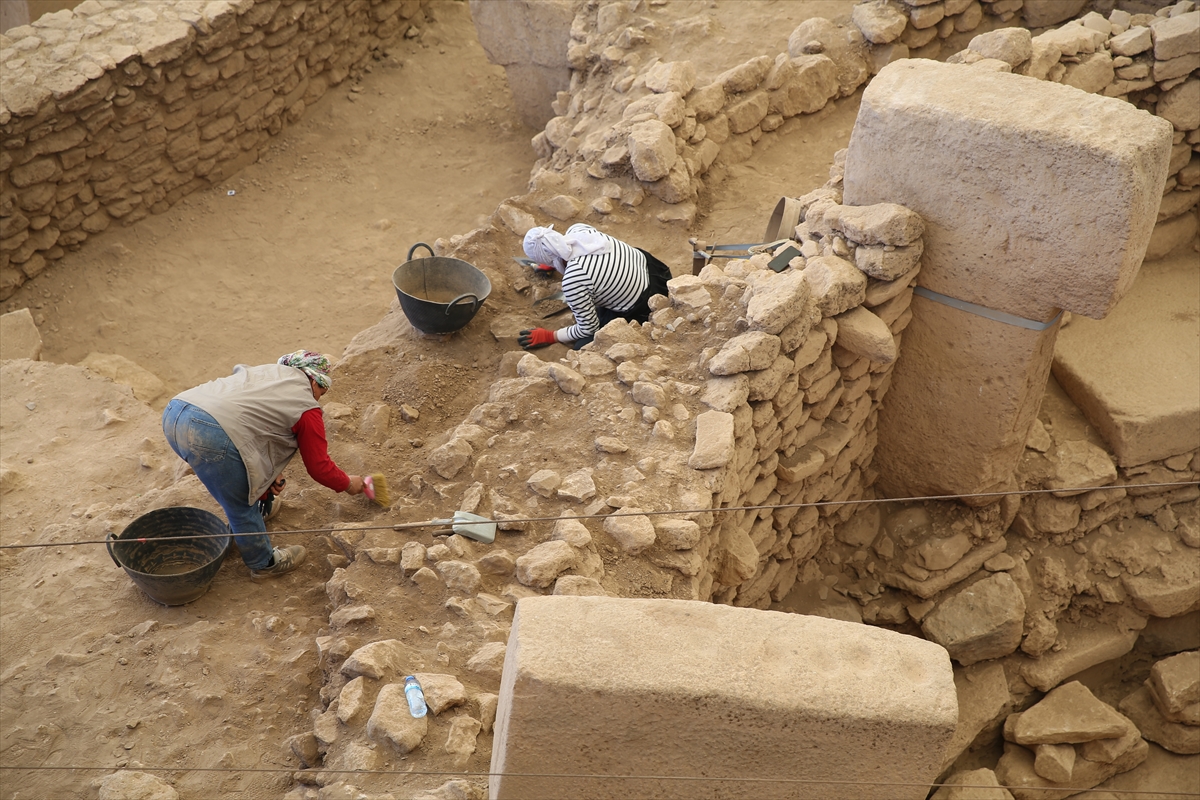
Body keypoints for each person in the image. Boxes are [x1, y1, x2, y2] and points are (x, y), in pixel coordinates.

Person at [162, 350, 365, 577]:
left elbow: (251, 421)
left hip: (175, 411)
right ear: (314, 381)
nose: (319, 398)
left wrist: (269, 473)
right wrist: (348, 483)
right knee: (240, 503)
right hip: (210, 433)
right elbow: (318, 466)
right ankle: (263, 563)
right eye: (321, 391)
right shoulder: (307, 409)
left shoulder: (267, 373)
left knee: (241, 476)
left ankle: (256, 513)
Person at [518, 223, 672, 350]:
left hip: (646, 304)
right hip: (658, 272)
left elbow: (588, 328)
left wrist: (551, 336)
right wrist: (555, 262)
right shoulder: (578, 230)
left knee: (582, 345)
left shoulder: (573, 280)